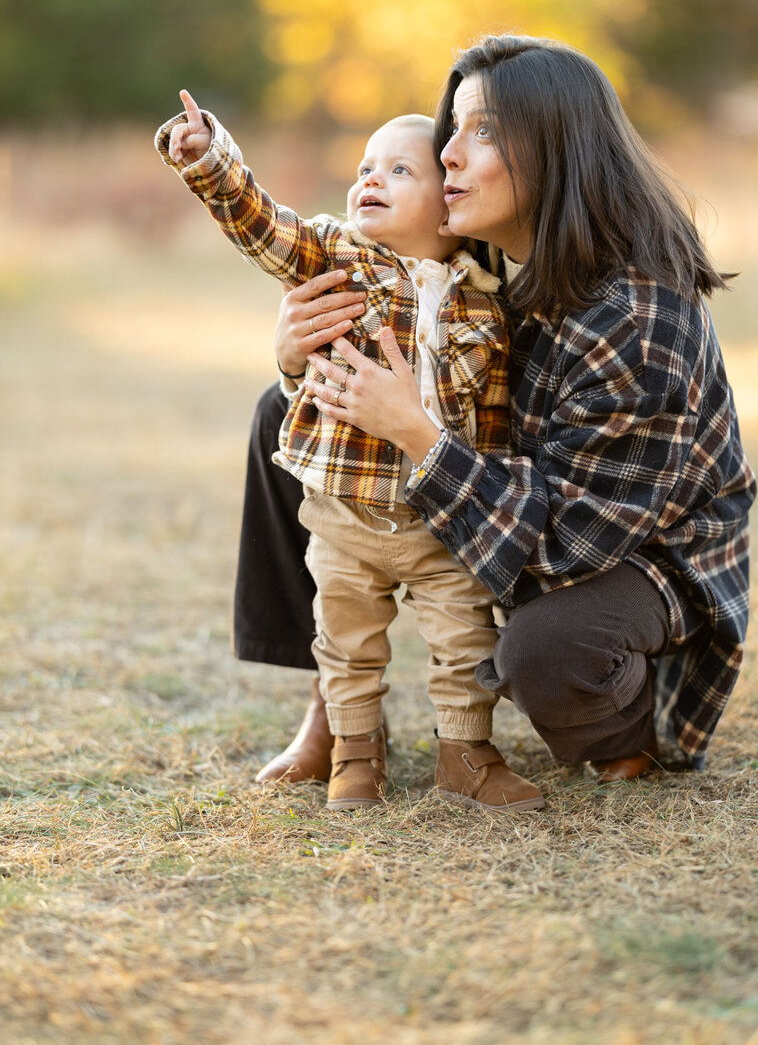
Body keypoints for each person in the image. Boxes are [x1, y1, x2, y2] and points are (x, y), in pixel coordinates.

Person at [237, 34, 756, 788]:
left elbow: (569, 544)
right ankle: (332, 707)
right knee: (278, 416)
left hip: (637, 559)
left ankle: (627, 724)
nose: (448, 152)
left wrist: (415, 433)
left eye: (482, 131)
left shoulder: (636, 318)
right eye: (454, 129)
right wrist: (298, 360)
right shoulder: (483, 267)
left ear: (557, 149)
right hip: (524, 510)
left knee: (548, 650)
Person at [155, 91, 545, 813]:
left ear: (448, 205)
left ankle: (466, 753)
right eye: (366, 166)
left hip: (438, 522)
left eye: (399, 171)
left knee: (465, 641)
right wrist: (212, 160)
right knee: (346, 641)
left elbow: (491, 425)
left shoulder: (486, 305)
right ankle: (353, 754)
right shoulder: (335, 253)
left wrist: (481, 510)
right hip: (347, 514)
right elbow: (261, 225)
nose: (370, 180)